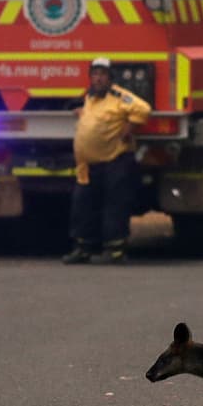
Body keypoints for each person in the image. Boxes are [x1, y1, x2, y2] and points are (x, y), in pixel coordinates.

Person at [62, 57, 151, 265]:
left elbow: (143, 110)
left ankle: (116, 250)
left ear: (110, 78)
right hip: (88, 165)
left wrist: (129, 129)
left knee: (115, 206)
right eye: (94, 74)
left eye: (102, 74)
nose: (98, 78)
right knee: (82, 205)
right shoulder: (90, 98)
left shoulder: (119, 96)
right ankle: (83, 247)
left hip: (115, 161)